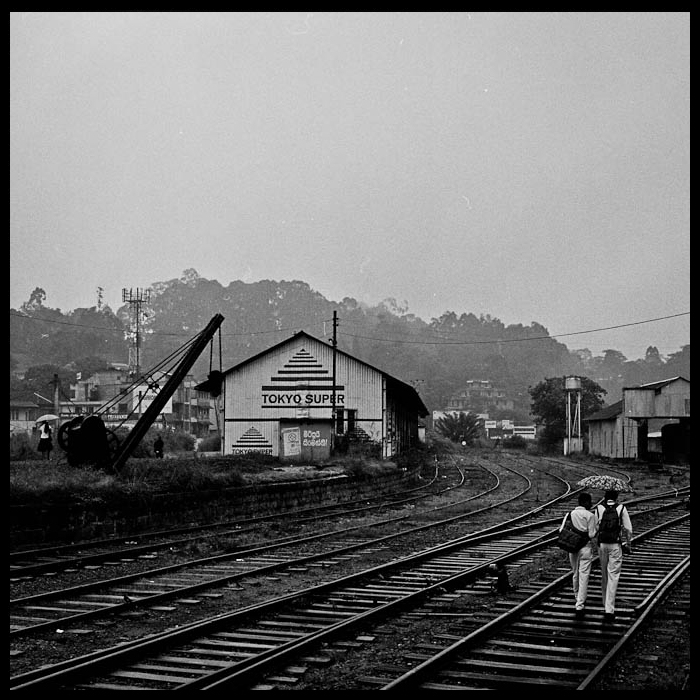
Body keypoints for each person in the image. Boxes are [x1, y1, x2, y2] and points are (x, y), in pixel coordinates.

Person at [595, 489, 633, 623]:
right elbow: (628, 529)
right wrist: (628, 544)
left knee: (604, 574)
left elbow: (595, 528)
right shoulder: (621, 508)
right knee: (614, 575)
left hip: (602, 545)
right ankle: (609, 609)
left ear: (605, 498)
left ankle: (605, 602)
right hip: (615, 545)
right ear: (616, 498)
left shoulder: (599, 508)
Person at [560, 491, 597, 619]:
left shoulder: (570, 514)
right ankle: (580, 604)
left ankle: (577, 597)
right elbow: (592, 535)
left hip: (572, 547)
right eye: (590, 501)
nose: (591, 503)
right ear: (586, 502)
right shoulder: (590, 515)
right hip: (585, 548)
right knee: (584, 575)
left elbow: (561, 530)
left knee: (575, 572)